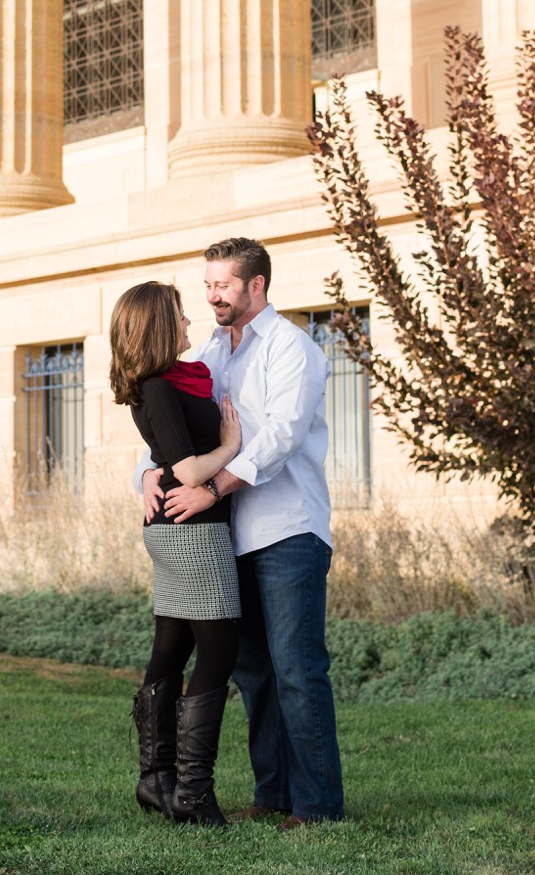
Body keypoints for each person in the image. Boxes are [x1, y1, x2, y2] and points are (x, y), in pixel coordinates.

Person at [145, 237, 345, 827]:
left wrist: (211, 488)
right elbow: (177, 427)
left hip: (288, 530)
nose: (211, 295)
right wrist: (149, 475)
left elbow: (279, 438)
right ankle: (274, 794)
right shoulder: (207, 353)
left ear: (256, 285)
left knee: (297, 670)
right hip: (230, 539)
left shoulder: (293, 349)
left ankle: (318, 808)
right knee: (253, 671)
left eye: (223, 285)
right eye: (207, 285)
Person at [110, 280, 243, 827]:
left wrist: (150, 469)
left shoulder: (170, 383)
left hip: (178, 527)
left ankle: (157, 779)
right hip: (193, 530)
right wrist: (230, 447)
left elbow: (163, 459)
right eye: (180, 315)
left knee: (172, 644)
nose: (189, 322)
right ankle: (191, 791)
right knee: (218, 648)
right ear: (160, 325)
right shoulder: (160, 386)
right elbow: (187, 470)